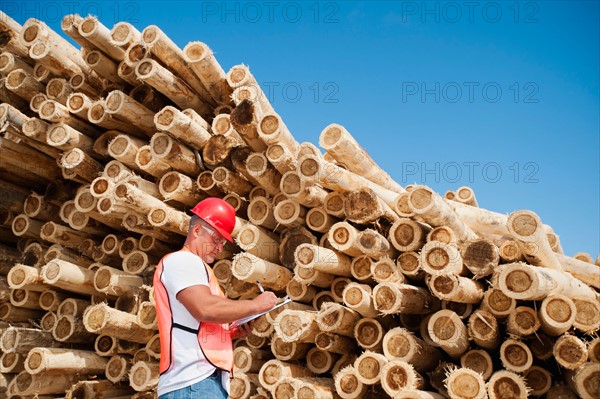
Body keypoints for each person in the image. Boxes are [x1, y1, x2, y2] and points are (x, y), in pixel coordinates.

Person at [153, 197, 278, 399]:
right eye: (217, 238)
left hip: (201, 383)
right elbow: (205, 308)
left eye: (222, 242)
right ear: (196, 230)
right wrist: (254, 305)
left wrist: (229, 332)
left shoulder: (195, 268)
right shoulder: (182, 261)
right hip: (192, 383)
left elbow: (197, 324)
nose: (220, 247)